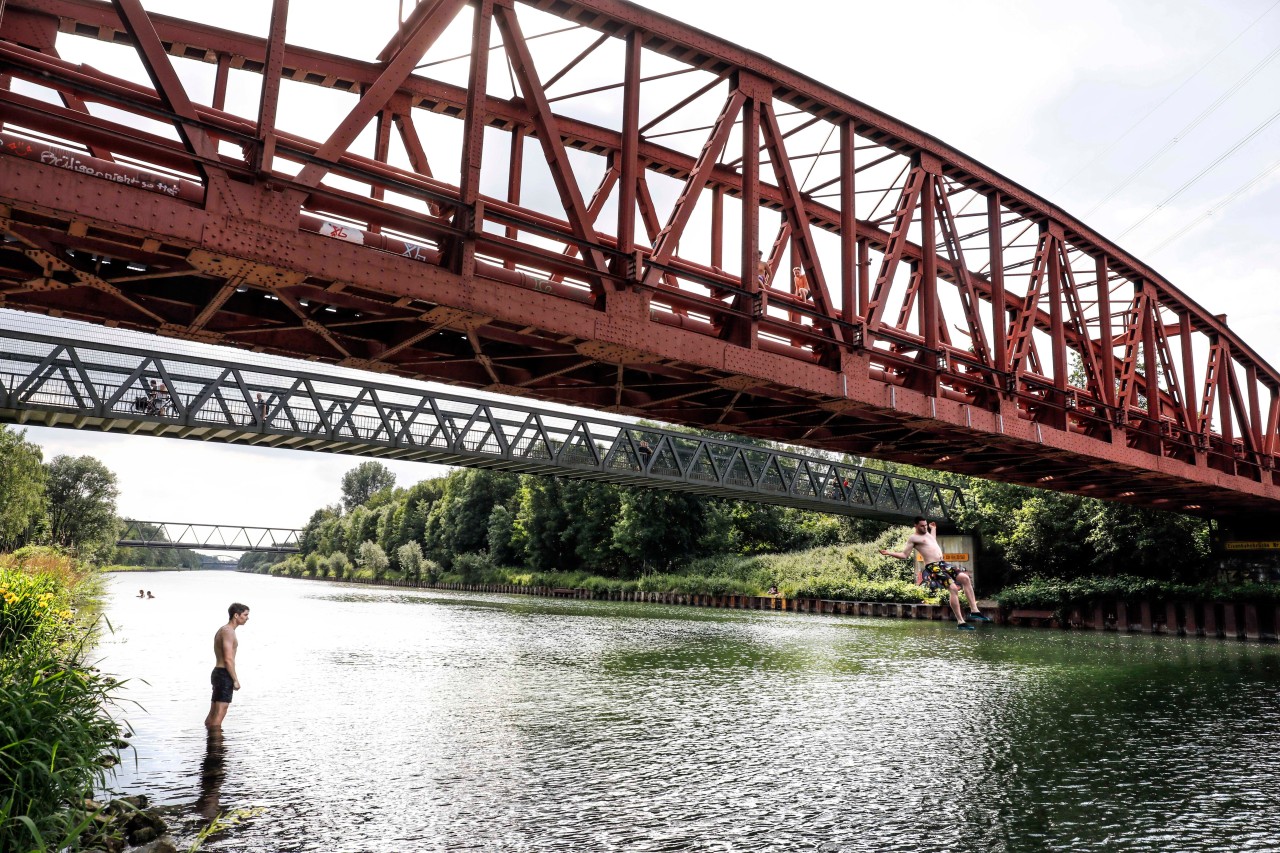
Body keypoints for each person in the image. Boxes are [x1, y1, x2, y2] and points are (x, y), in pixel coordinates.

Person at [879, 516, 990, 630]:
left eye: (925, 525)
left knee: (965, 579)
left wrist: (933, 528)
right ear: (915, 526)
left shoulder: (928, 533)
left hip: (943, 564)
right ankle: (961, 622)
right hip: (933, 567)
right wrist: (889, 553)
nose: (924, 527)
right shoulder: (913, 538)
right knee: (953, 588)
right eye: (922, 526)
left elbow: (933, 540)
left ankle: (974, 610)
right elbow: (904, 555)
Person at [204, 602, 250, 729]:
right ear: (236, 615)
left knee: (213, 715)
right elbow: (228, 659)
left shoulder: (224, 630)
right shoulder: (228, 631)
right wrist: (235, 680)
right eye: (245, 615)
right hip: (224, 674)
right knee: (219, 715)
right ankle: (215, 748)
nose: (247, 618)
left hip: (219, 673)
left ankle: (210, 745)